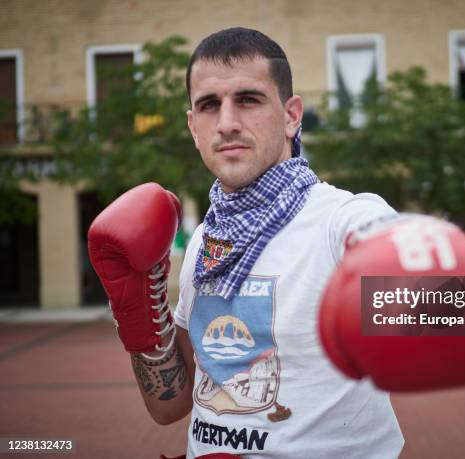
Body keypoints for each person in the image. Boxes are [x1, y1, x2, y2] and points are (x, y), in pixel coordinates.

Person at [132, 27, 403, 458]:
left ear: (292, 115)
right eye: (208, 105)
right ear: (192, 126)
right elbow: (171, 407)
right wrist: (134, 309)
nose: (227, 123)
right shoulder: (206, 239)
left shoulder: (339, 220)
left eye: (248, 99)